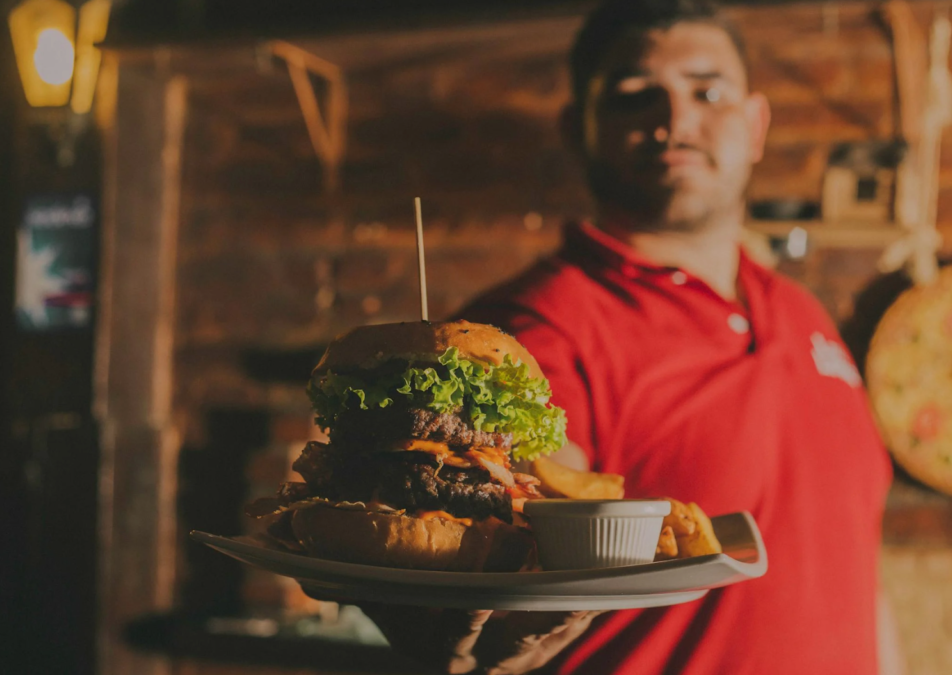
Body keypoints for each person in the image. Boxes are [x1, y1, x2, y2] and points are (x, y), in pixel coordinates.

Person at [307, 1, 904, 673]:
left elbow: (858, 565)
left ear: (756, 124)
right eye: (633, 95)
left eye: (708, 91)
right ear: (578, 129)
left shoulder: (803, 313)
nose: (675, 119)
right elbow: (501, 550)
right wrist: (473, 635)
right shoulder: (538, 325)